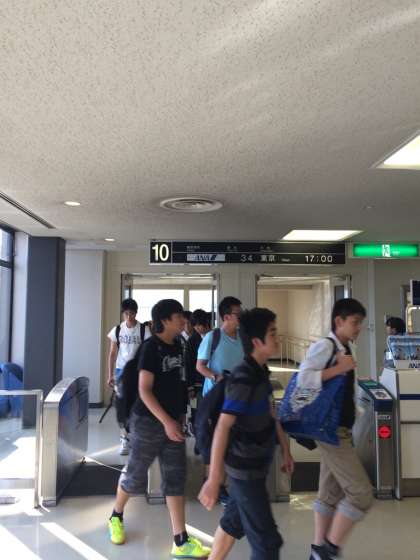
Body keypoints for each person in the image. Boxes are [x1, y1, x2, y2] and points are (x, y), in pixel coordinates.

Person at [108, 299, 211, 559]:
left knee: (175, 478)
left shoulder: (179, 345)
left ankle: (181, 541)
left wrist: (180, 417)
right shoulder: (150, 348)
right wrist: (166, 421)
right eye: (179, 316)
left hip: (173, 423)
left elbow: (178, 383)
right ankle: (116, 516)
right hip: (148, 422)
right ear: (165, 320)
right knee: (135, 475)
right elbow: (144, 390)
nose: (184, 320)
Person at [199, 308, 294, 560]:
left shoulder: (261, 373)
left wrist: (285, 449)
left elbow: (270, 414)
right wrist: (214, 478)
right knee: (267, 543)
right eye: (272, 333)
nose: (277, 338)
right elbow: (223, 426)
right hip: (245, 471)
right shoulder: (244, 378)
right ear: (257, 342)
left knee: (234, 522)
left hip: (256, 466)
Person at [297, 298, 373, 560]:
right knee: (360, 494)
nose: (358, 328)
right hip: (331, 431)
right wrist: (339, 368)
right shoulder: (326, 346)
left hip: (339, 429)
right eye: (355, 322)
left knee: (329, 494)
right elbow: (304, 378)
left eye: (360, 323)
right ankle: (329, 549)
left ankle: (317, 550)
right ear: (339, 321)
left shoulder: (344, 347)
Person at [196, 296, 244, 503]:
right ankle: (213, 484)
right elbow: (200, 366)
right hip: (215, 400)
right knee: (214, 442)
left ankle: (222, 483)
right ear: (226, 317)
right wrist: (216, 377)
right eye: (238, 314)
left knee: (231, 441)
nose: (241, 317)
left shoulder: (243, 338)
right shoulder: (213, 337)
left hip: (237, 399)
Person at [107, 298, 151, 455]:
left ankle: (137, 436)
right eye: (126, 313)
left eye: (132, 313)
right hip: (121, 372)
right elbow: (112, 353)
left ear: (136, 313)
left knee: (139, 404)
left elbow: (148, 352)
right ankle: (124, 438)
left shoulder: (144, 330)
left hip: (138, 371)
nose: (129, 316)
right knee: (123, 406)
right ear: (123, 313)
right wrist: (110, 375)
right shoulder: (117, 330)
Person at [184, 309, 211, 433]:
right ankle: (197, 433)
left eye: (199, 325)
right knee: (198, 412)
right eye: (195, 326)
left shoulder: (215, 337)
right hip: (197, 384)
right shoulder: (192, 341)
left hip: (212, 381)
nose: (197, 328)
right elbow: (188, 365)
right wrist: (190, 387)